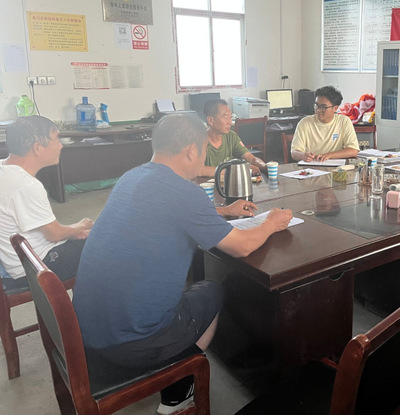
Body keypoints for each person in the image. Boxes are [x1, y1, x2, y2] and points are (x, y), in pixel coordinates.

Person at [72, 113, 292, 414]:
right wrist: (271, 223)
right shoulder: (184, 191)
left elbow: (168, 211)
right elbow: (242, 247)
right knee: (212, 290)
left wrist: (222, 210)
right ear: (191, 151)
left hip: (87, 333)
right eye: (202, 151)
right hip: (134, 345)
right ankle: (178, 387)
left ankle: (176, 369)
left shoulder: (131, 177)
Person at [0, 115, 93, 291]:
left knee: (86, 240)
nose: (60, 145)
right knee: (102, 245)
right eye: (56, 139)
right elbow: (54, 235)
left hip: (13, 260)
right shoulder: (26, 186)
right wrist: (80, 226)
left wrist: (72, 233)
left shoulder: (4, 169)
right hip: (32, 267)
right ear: (37, 147)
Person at [198, 99, 266, 177]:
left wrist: (265, 166)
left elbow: (252, 159)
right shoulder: (199, 140)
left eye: (230, 117)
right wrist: (235, 170)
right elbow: (199, 171)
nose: (230, 122)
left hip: (226, 183)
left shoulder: (231, 136)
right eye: (226, 118)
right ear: (211, 120)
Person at [290, 85, 359, 162]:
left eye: (323, 107)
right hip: (312, 166)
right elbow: (294, 152)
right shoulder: (305, 123)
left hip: (336, 167)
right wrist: (303, 155)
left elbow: (353, 150)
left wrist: (328, 155)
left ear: (335, 108)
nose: (318, 110)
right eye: (316, 105)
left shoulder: (344, 121)